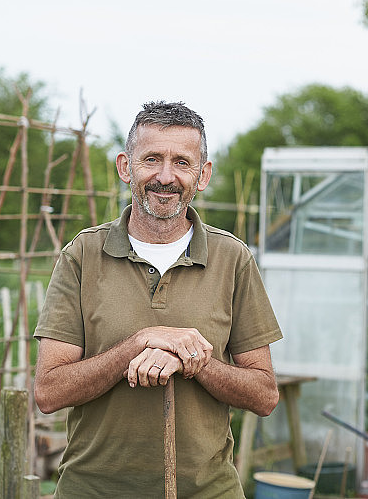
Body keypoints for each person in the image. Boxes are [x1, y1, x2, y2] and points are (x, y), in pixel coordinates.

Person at [33, 101, 283, 498]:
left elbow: (264, 395)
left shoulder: (232, 258)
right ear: (125, 167)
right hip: (93, 490)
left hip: (206, 492)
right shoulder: (82, 255)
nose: (165, 177)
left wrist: (192, 360)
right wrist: (141, 342)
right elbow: (49, 392)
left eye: (182, 162)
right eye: (152, 159)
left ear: (203, 174)